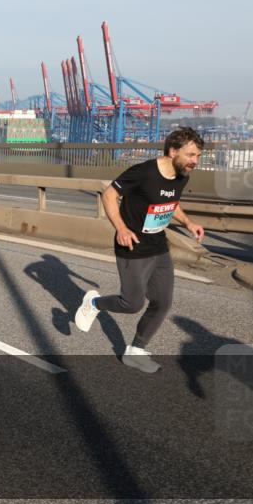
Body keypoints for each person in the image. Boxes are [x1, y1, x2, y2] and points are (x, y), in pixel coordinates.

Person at [74, 128, 205, 373]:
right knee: (132, 303)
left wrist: (188, 222)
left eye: (198, 156)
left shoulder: (181, 175)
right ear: (173, 151)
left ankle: (135, 350)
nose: (195, 161)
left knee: (162, 302)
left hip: (158, 245)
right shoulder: (144, 172)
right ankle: (94, 303)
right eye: (191, 155)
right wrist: (121, 228)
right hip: (132, 245)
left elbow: (171, 203)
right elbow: (109, 195)